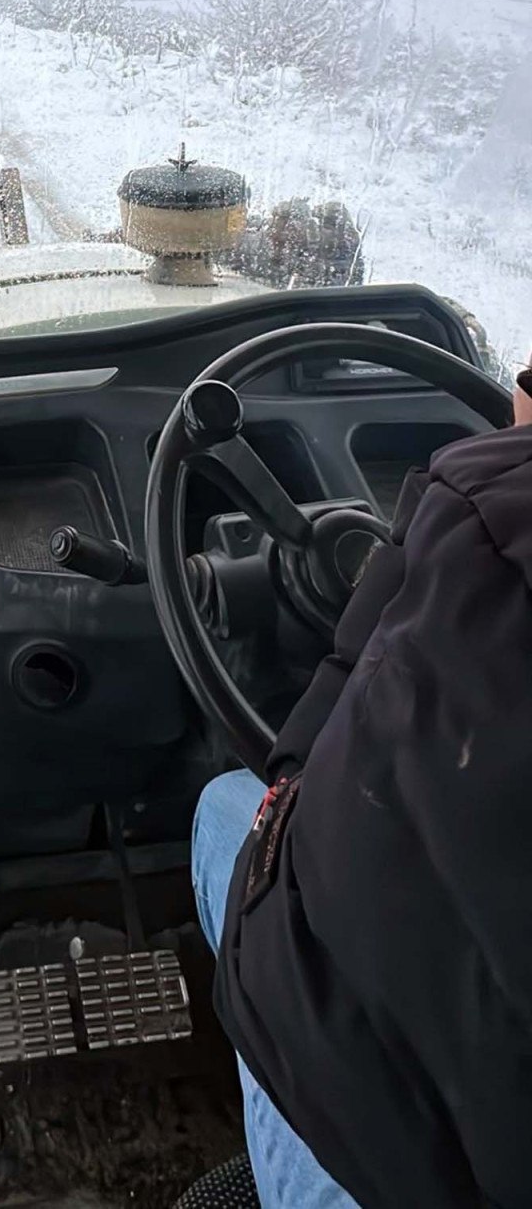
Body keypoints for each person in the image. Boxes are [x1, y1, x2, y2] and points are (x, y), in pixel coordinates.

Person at [191, 366, 532, 1209]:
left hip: (396, 1151)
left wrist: (289, 780)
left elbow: (348, 679)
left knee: (222, 816)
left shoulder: (482, 512)